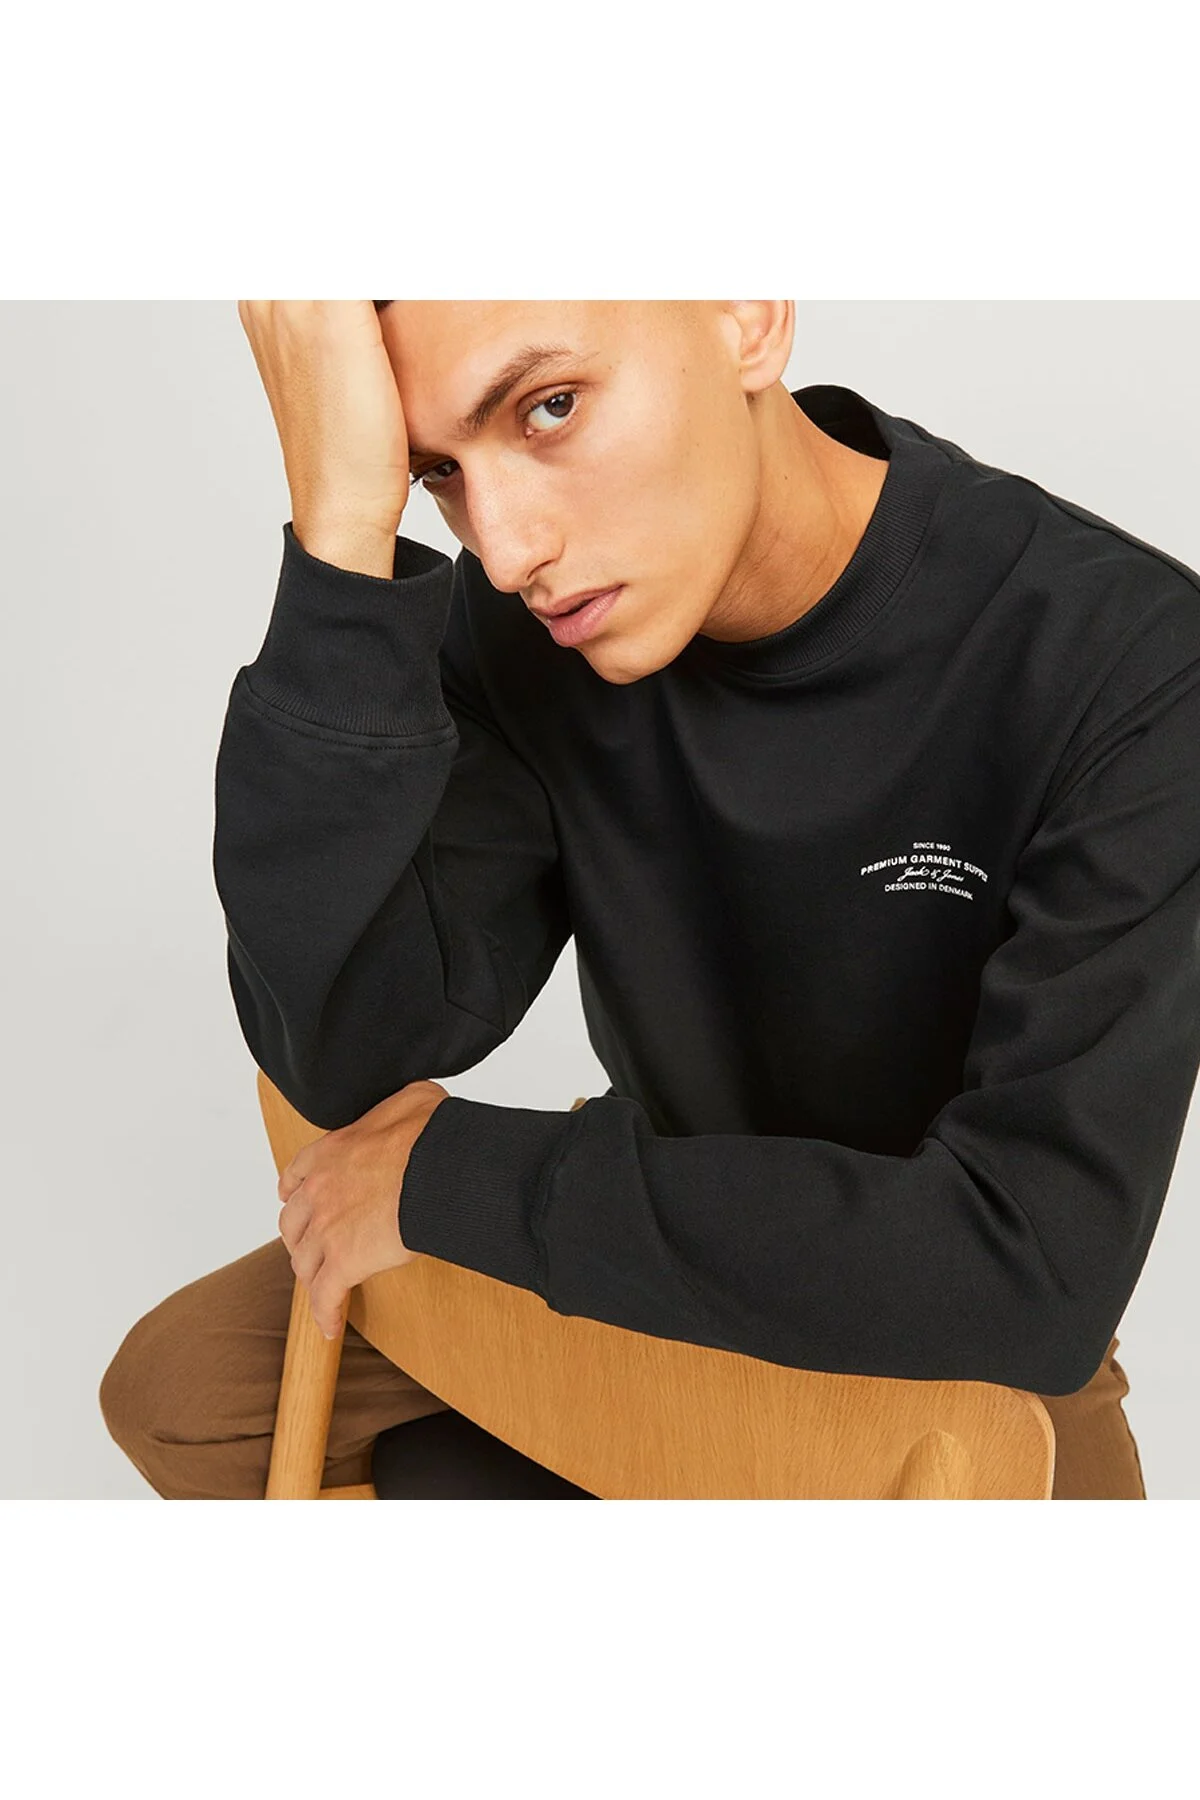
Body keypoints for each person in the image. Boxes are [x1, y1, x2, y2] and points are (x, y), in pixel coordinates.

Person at [100, 300, 1198, 1499]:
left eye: (549, 407)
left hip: (944, 1351)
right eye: (437, 474)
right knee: (194, 1396)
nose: (506, 551)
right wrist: (341, 541)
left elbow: (1030, 1268)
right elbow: (344, 1051)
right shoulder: (531, 627)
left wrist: (464, 1181)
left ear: (748, 316)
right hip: (650, 1267)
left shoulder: (1131, 664)